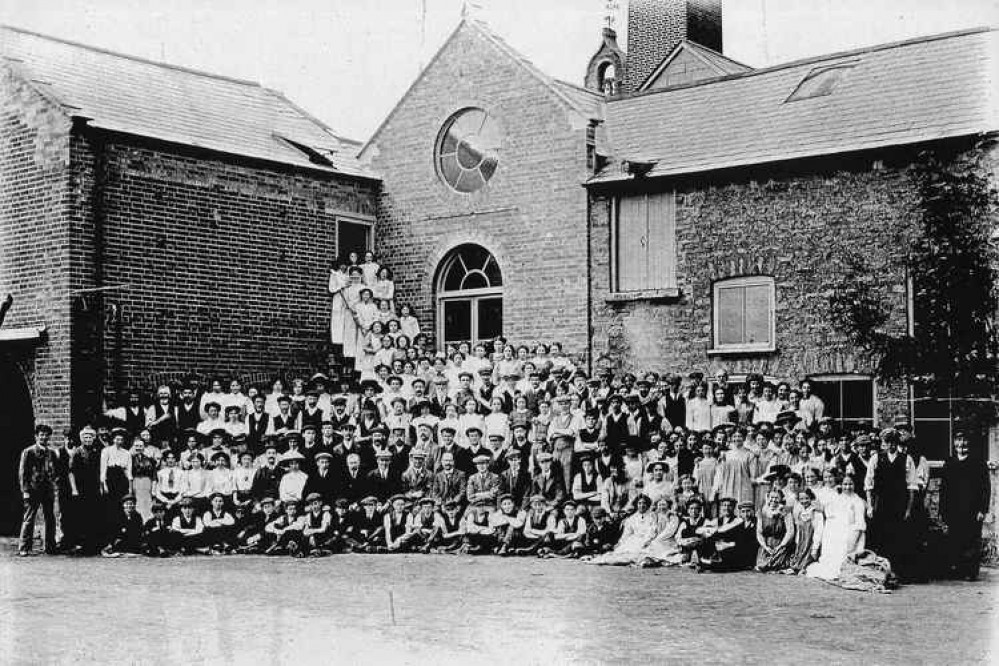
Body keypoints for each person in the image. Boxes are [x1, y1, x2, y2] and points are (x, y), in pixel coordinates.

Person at [939, 431, 991, 581]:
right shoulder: (949, 462)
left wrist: (982, 509)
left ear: (969, 442)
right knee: (955, 539)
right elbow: (944, 489)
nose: (961, 444)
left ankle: (970, 571)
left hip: (973, 510)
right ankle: (958, 569)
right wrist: (943, 510)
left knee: (971, 539)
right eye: (958, 440)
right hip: (954, 509)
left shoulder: (977, 462)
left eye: (964, 440)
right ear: (954, 443)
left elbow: (985, 488)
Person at [807, 475, 867, 581]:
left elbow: (859, 524)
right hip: (838, 533)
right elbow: (830, 513)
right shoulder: (838, 498)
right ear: (841, 485)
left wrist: (852, 538)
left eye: (850, 484)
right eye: (845, 484)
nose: (847, 487)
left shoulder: (858, 501)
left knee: (843, 557)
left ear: (855, 485)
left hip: (852, 534)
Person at [18, 424, 57, 556]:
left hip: (48, 490)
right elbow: (23, 473)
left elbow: (55, 471)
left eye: (46, 435)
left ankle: (50, 547)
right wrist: (25, 491)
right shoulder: (28, 452)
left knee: (50, 518)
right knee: (29, 518)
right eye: (41, 435)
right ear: (36, 436)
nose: (44, 437)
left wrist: (53, 484)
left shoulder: (51, 453)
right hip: (33, 489)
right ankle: (24, 547)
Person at [587, 494, 658, 566]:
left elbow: (652, 531)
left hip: (647, 540)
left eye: (644, 503)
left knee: (642, 553)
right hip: (634, 539)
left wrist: (646, 541)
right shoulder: (632, 518)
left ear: (647, 504)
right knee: (620, 554)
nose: (642, 505)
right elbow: (627, 533)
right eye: (639, 503)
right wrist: (620, 543)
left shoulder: (652, 516)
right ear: (636, 504)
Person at [755, 489, 795, 572]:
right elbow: (759, 532)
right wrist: (765, 546)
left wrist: (781, 546)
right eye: (771, 497)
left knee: (778, 564)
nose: (773, 500)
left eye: (776, 498)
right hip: (767, 545)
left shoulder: (785, 511)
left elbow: (790, 531)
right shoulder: (762, 511)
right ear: (768, 498)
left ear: (781, 499)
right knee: (762, 565)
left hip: (780, 543)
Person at [787, 488, 824, 573]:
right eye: (801, 499)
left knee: (808, 562)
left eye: (807, 498)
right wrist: (797, 542)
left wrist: (815, 548)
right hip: (802, 542)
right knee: (797, 560)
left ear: (811, 498)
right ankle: (798, 567)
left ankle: (804, 567)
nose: (804, 501)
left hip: (811, 542)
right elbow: (799, 530)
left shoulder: (816, 512)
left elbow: (818, 531)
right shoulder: (800, 512)